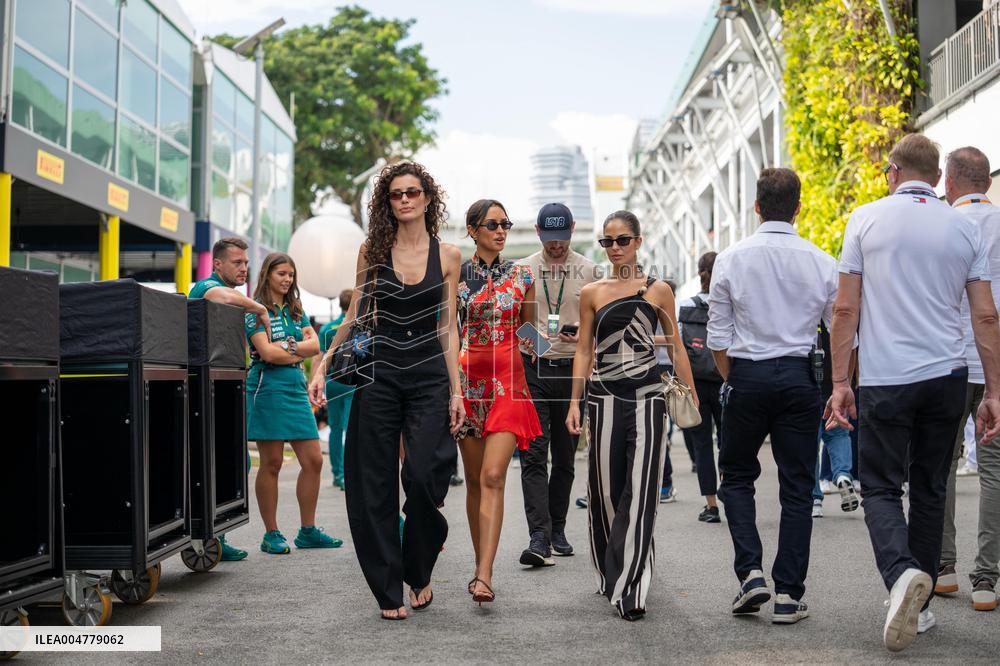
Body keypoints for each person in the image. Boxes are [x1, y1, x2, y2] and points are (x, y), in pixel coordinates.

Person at [825, 134, 1000, 651]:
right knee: (930, 488)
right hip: (948, 375)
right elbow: (985, 315)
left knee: (880, 486)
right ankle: (918, 610)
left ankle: (902, 575)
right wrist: (993, 390)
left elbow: (845, 310)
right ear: (936, 177)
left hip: (887, 377)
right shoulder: (964, 227)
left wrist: (839, 383)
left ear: (894, 171)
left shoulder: (866, 218)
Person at [309, 161, 464, 621]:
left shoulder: (450, 255)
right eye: (396, 194)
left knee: (421, 475)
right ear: (388, 203)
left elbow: (448, 328)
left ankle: (419, 567)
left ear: (427, 198)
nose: (405, 200)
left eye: (413, 192)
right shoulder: (371, 250)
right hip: (380, 371)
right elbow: (356, 312)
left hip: (430, 374)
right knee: (372, 481)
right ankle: (387, 587)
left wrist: (456, 392)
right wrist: (321, 364)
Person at [708, 167, 839, 625]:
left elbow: (717, 337)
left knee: (737, 477)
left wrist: (733, 377)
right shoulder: (821, 261)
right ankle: (788, 593)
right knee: (798, 487)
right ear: (799, 208)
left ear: (757, 206)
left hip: (747, 374)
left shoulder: (731, 258)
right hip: (800, 378)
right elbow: (839, 331)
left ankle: (750, 573)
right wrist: (838, 386)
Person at [566, 210, 697, 622]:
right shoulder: (591, 292)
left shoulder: (658, 291)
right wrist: (574, 401)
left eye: (622, 239)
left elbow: (674, 347)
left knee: (640, 492)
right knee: (607, 494)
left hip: (648, 398)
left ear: (638, 241)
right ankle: (613, 570)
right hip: (601, 400)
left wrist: (691, 393)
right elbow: (584, 351)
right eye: (607, 242)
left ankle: (632, 588)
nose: (615, 247)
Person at [456, 199, 542, 605]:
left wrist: (555, 347)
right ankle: (479, 562)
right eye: (492, 224)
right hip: (467, 386)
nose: (501, 230)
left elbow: (528, 329)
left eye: (506, 223)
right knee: (473, 480)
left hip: (510, 384)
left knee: (493, 475)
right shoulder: (455, 275)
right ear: (473, 229)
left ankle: (486, 574)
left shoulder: (522, 274)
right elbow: (448, 333)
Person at [516, 202, 600, 564]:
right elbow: (511, 322)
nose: (556, 246)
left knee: (565, 457)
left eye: (562, 238)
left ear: (572, 230)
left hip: (573, 372)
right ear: (538, 232)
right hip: (533, 370)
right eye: (550, 239)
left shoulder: (590, 271)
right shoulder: (521, 270)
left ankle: (559, 527)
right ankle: (539, 535)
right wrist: (539, 343)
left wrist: (584, 333)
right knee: (534, 455)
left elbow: (600, 324)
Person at [935, 146, 1000, 611]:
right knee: (995, 472)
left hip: (947, 362)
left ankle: (943, 568)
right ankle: (987, 579)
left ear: (949, 182)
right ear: (989, 182)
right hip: (996, 364)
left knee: (941, 463)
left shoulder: (941, 227)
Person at [245, 252, 342, 555]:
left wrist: (287, 347)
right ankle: (271, 533)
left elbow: (316, 346)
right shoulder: (255, 311)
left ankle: (307, 530)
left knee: (313, 460)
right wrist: (296, 350)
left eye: (290, 274)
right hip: (267, 387)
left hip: (296, 388)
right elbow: (267, 354)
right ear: (268, 275)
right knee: (271, 463)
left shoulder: (296, 310)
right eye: (281, 274)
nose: (287, 279)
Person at [188, 236, 271, 562]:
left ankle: (218, 534)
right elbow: (217, 295)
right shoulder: (206, 286)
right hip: (204, 391)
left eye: (246, 263)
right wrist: (258, 306)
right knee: (217, 461)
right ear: (218, 263)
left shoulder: (233, 297)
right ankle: (213, 536)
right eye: (237, 262)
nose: (244, 268)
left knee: (236, 461)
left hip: (227, 387)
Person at [677, 251, 725, 523]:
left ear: (699, 273)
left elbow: (677, 348)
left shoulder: (685, 306)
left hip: (695, 384)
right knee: (728, 440)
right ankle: (729, 484)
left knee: (703, 444)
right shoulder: (729, 303)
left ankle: (711, 505)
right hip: (724, 381)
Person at [810, 323, 858, 519]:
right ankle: (843, 475)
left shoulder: (804, 313)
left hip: (806, 387)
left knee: (809, 443)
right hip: (835, 386)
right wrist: (848, 383)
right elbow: (853, 348)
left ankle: (815, 499)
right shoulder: (836, 317)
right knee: (838, 433)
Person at [316, 289, 355, 490]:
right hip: (353, 381)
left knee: (335, 426)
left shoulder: (328, 328)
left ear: (340, 304)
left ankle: (337, 474)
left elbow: (321, 356)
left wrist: (316, 380)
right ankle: (350, 473)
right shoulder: (356, 324)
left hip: (332, 380)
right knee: (351, 428)